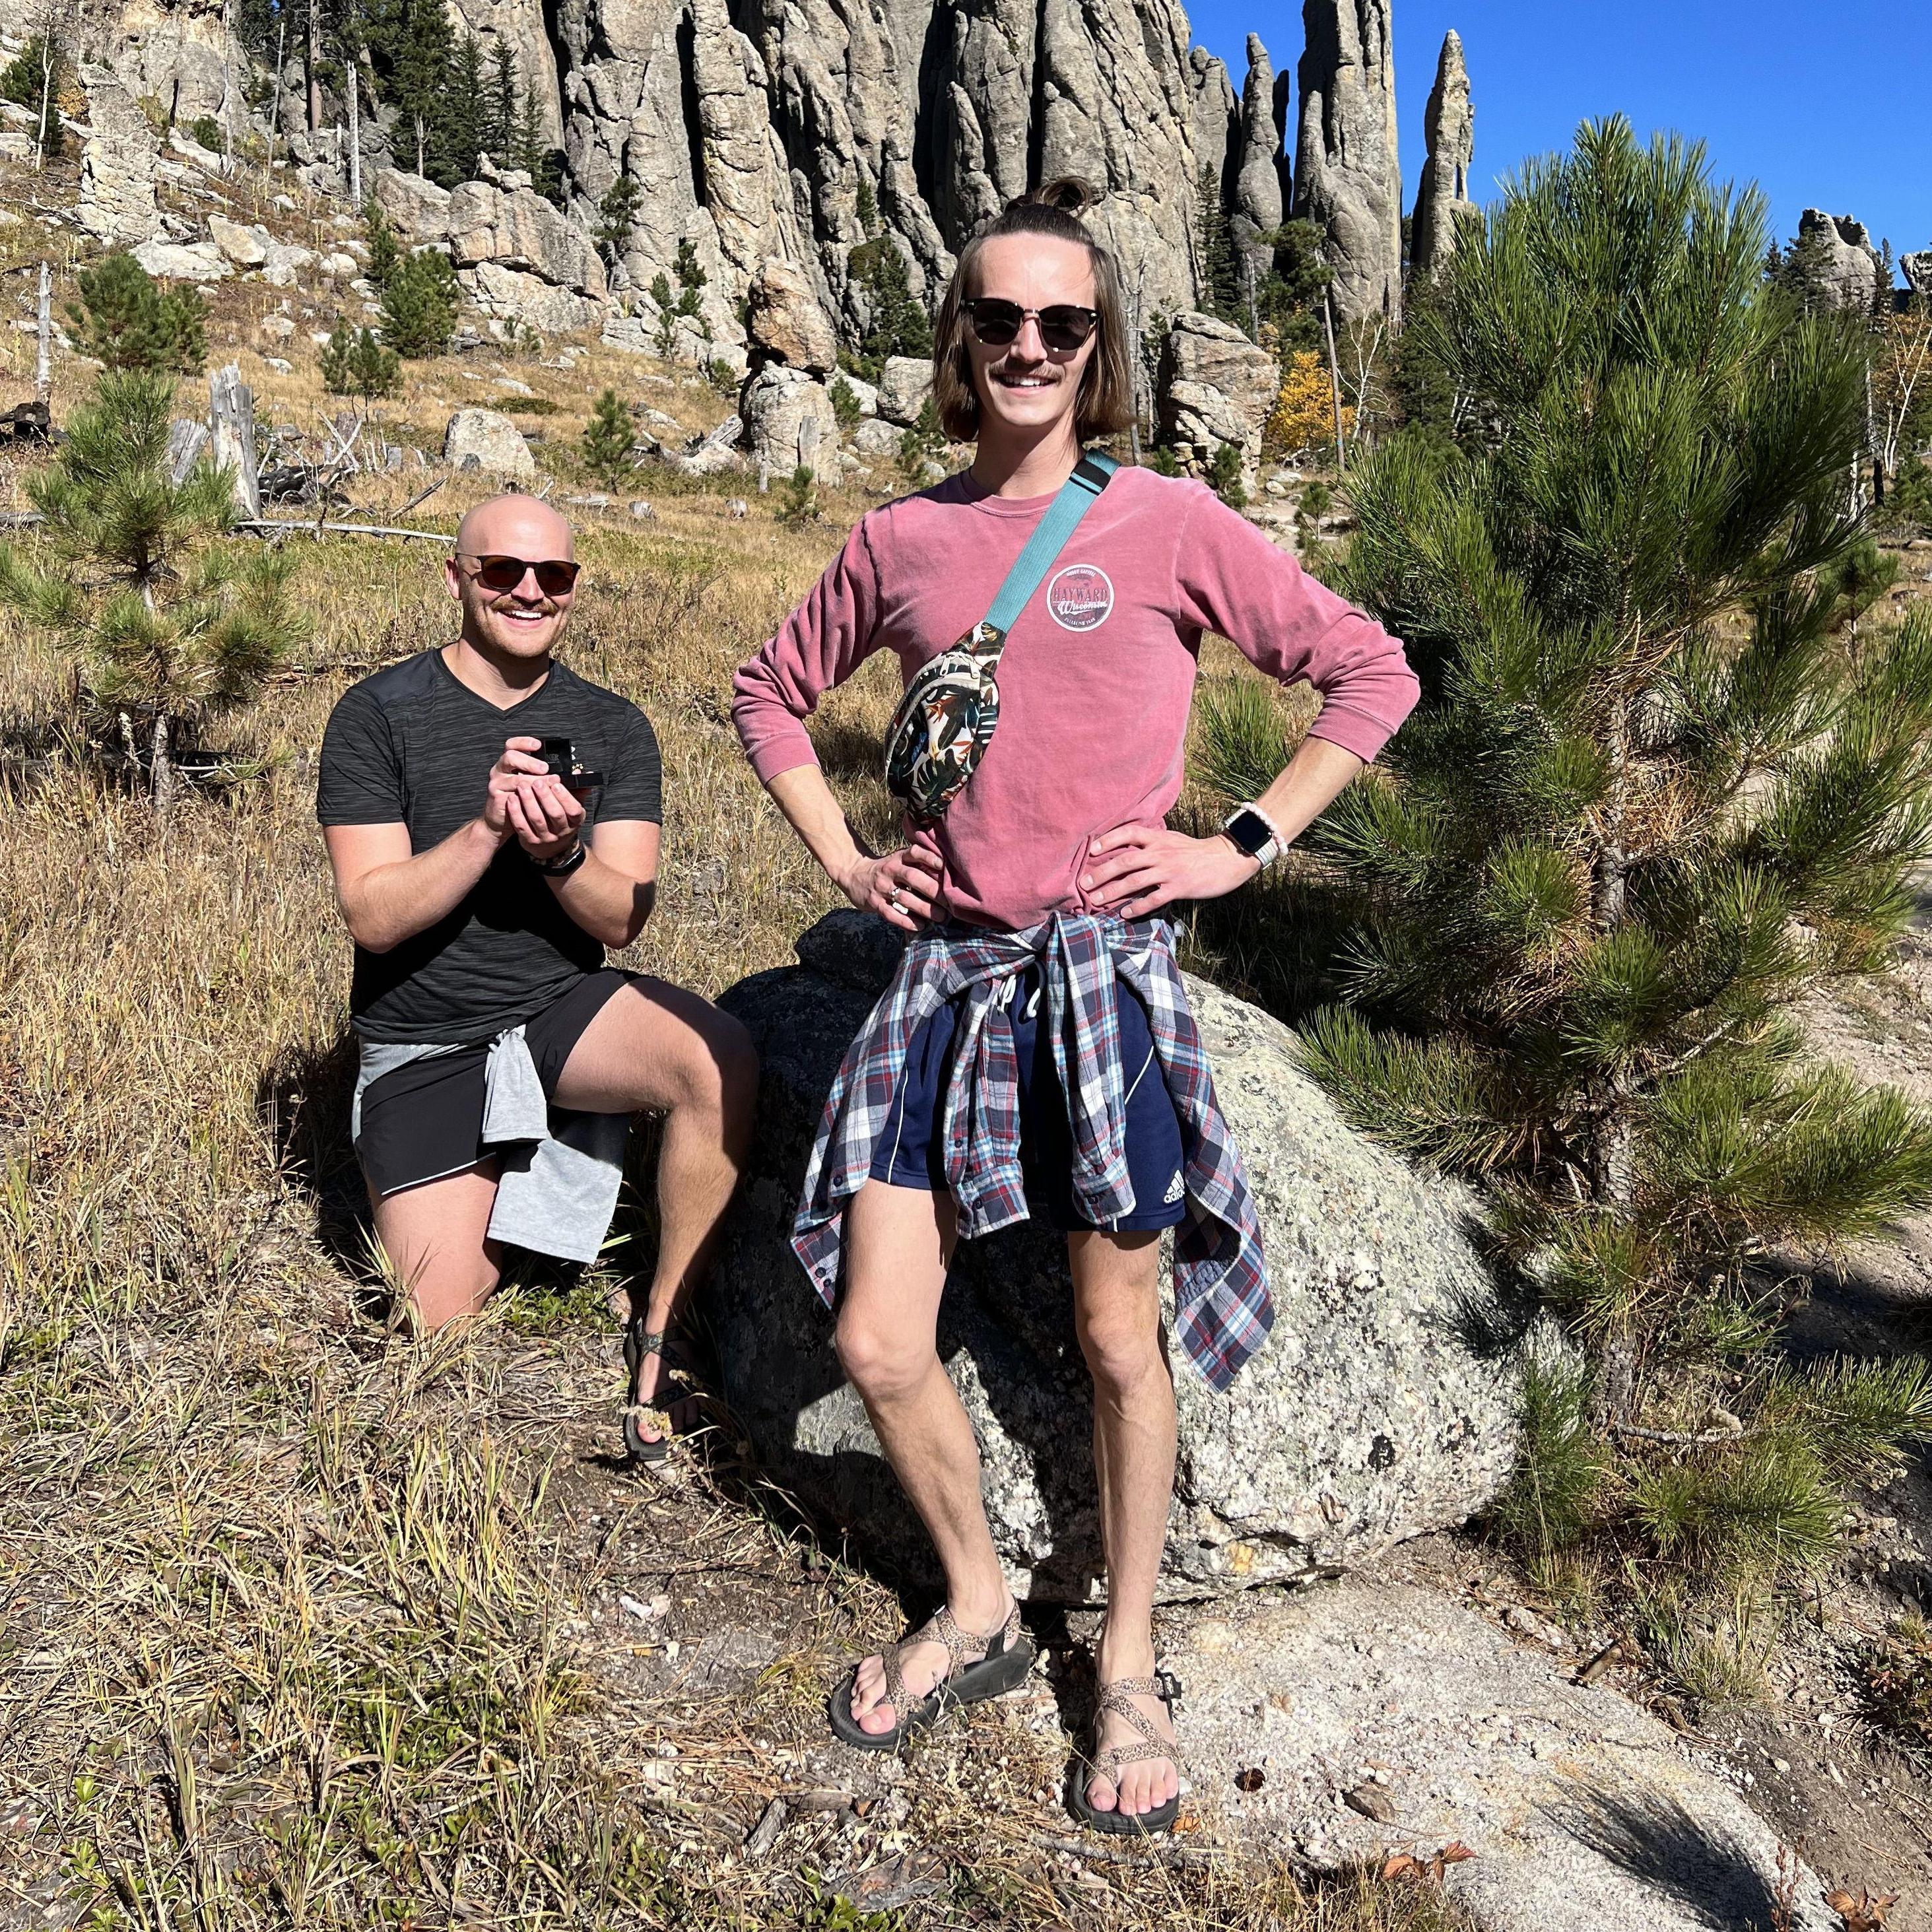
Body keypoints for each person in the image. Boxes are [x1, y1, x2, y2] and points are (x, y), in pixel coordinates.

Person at [731, 182, 1420, 1832]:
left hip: (1100, 979)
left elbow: (1369, 672)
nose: (1029, 346)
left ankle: (1124, 1660)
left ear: (1097, 350)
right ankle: (975, 1599)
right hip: (946, 980)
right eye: (999, 320)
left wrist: (1239, 844)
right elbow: (766, 692)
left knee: (1121, 1336)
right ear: (959, 345)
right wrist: (847, 857)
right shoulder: (900, 540)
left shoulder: (1171, 523)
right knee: (878, 1334)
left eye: (1064, 324)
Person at [317, 493, 756, 1460]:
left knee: (715, 1057)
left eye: (551, 576)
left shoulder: (613, 725)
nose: (527, 591)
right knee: (442, 1316)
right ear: (456, 577)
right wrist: (486, 830)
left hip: (558, 1007)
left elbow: (624, 919)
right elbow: (373, 917)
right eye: (501, 571)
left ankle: (661, 1338)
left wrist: (559, 857)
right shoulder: (377, 715)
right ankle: (521, 1153)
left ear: (572, 589)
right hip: (423, 1031)